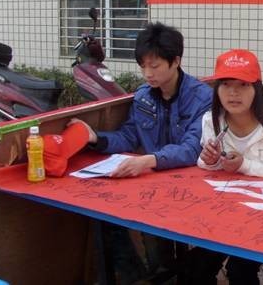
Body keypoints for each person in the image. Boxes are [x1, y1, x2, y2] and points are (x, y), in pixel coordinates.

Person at [72, 22, 212, 283]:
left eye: (155, 66)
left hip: (192, 187)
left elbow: (193, 148)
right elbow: (129, 136)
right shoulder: (143, 96)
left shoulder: (202, 97)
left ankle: (174, 273)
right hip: (153, 184)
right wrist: (96, 138)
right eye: (143, 66)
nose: (148, 73)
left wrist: (150, 160)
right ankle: (141, 276)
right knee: (106, 216)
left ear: (176, 61)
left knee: (187, 254)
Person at [188, 48, 263, 285]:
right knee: (195, 266)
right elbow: (208, 168)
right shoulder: (211, 120)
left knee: (240, 270)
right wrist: (209, 160)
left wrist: (245, 164)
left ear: (256, 89)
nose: (233, 93)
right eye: (226, 84)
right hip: (224, 213)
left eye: (243, 85)